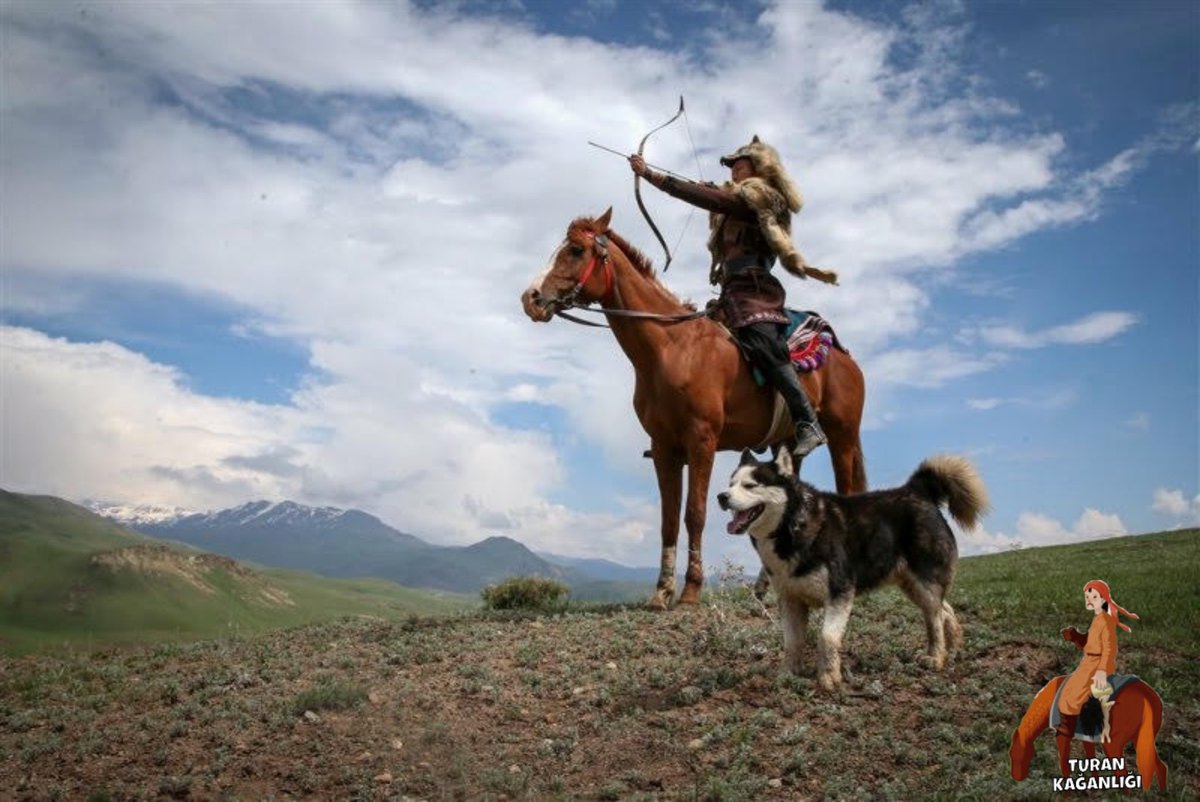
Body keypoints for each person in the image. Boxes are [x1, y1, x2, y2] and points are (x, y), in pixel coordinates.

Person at [629, 135, 835, 458]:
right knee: (692, 349)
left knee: (763, 343)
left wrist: (653, 175)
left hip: (756, 290)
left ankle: (807, 421)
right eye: (733, 169)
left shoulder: (762, 198)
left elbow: (718, 200)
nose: (734, 173)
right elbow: (718, 200)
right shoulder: (732, 203)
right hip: (730, 292)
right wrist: (709, 189)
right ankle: (676, 427)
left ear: (759, 169)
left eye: (740, 167)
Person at [1055, 580, 1139, 747]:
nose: (1089, 600)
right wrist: (1075, 637)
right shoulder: (1098, 618)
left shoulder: (1106, 621)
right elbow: (1091, 644)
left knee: (1071, 695)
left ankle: (1070, 731)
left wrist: (1101, 670)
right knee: (1070, 688)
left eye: (1094, 596)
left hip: (1098, 664)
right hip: (1089, 661)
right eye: (1087, 596)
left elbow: (1109, 648)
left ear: (1103, 599)